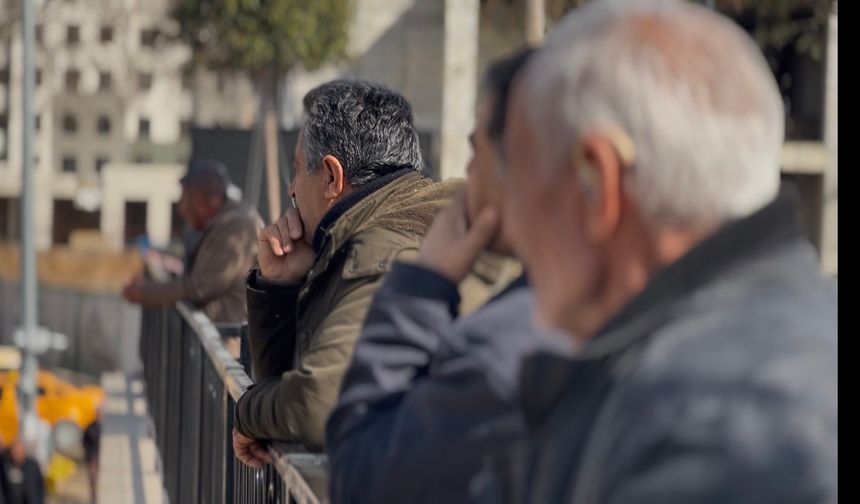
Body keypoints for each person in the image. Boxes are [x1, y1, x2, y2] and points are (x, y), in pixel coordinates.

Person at [497, 0, 837, 501]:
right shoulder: (798, 331)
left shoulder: (701, 430)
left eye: (517, 180)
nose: (508, 226)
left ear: (597, 182)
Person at [325, 49, 571, 503]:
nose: (468, 173)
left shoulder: (505, 355)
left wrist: (421, 286)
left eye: (476, 150)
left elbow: (363, 476)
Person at [231, 80, 496, 463]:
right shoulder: (367, 235)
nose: (291, 190)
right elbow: (291, 383)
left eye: (297, 171)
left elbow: (316, 404)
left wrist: (246, 412)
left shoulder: (383, 249)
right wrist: (279, 285)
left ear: (332, 178)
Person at [122, 159, 263, 325]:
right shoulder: (226, 222)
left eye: (186, 198)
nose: (182, 208)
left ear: (202, 200)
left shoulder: (239, 225)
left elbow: (200, 286)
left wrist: (145, 292)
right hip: (220, 337)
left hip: (229, 341)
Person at [0, 438, 44, 504]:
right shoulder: (5, 465)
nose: (16, 455)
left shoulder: (32, 466)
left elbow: (40, 486)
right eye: (14, 452)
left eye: (18, 452)